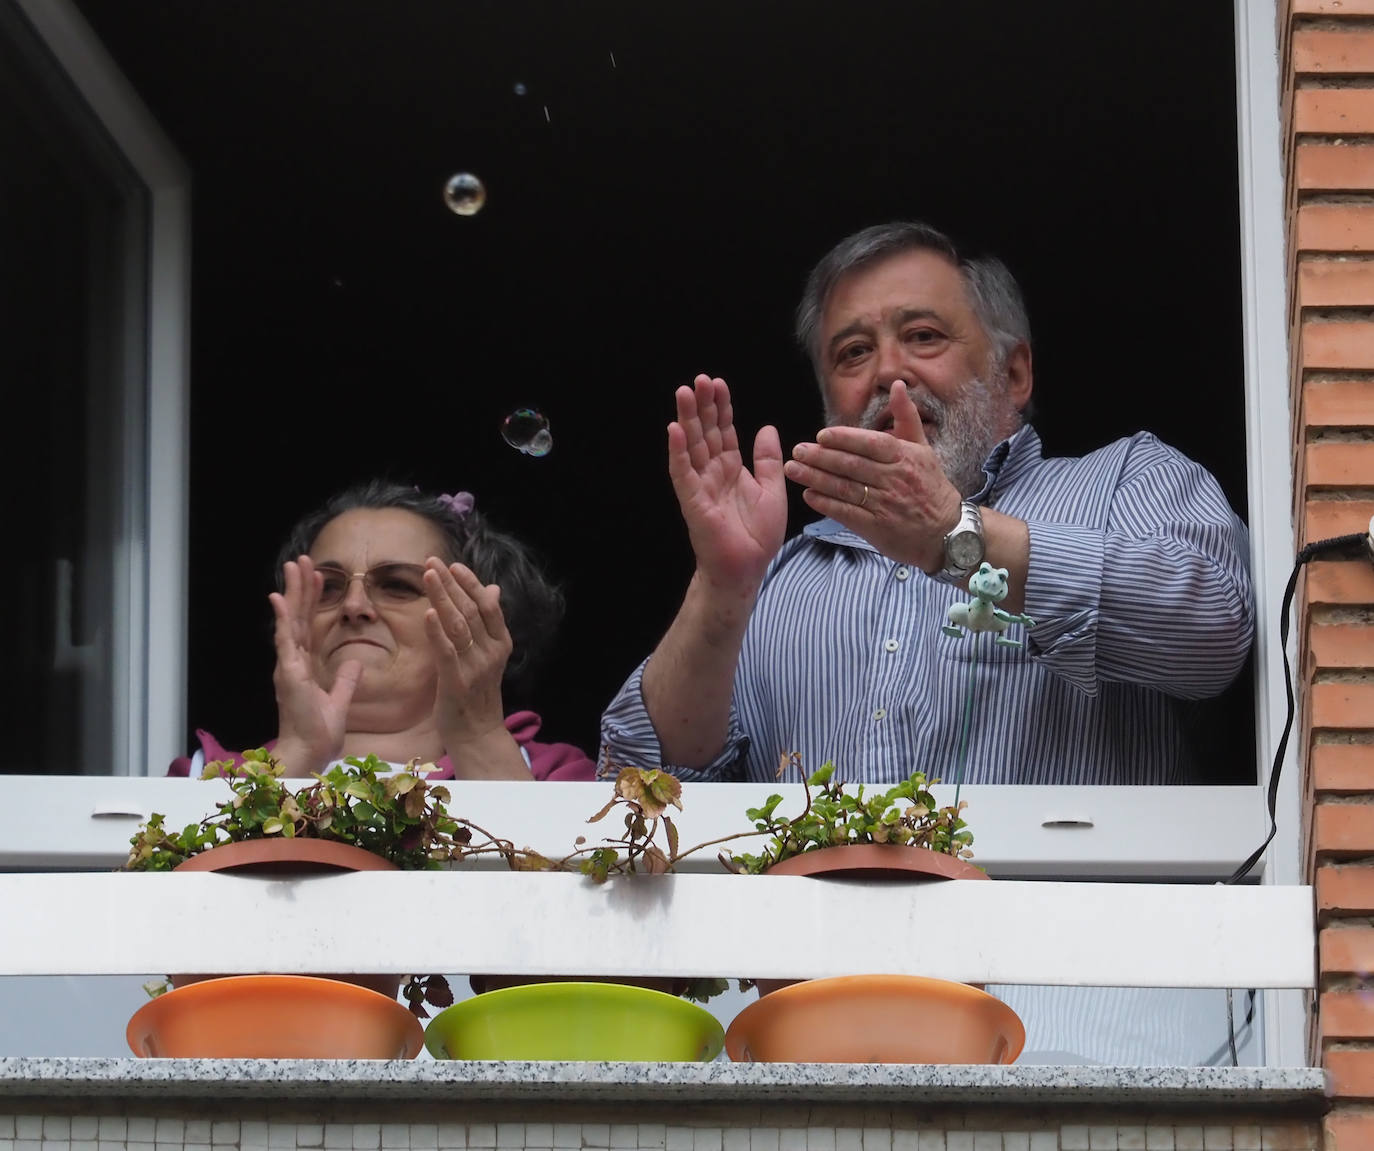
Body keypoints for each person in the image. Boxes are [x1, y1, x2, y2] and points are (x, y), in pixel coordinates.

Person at [600, 220, 1255, 786]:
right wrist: (721, 588)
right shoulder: (773, 582)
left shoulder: (1125, 480)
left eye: (923, 335)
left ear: (1015, 372)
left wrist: (956, 537)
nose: (889, 371)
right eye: (854, 352)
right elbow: (640, 787)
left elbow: (1218, 633)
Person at [170, 481, 596, 780]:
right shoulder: (202, 781)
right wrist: (296, 757)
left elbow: (562, 902)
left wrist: (479, 741)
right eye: (328, 588)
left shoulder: (552, 777)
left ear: (479, 617)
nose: (354, 607)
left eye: (397, 585)